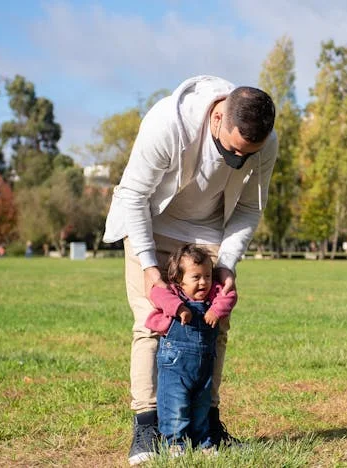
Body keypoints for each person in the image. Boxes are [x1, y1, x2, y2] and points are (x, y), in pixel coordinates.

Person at [102, 75, 277, 466]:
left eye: (248, 155)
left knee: (215, 325)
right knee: (151, 323)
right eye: (234, 153)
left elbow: (250, 208)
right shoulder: (168, 122)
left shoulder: (264, 145)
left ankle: (206, 424)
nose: (240, 162)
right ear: (217, 118)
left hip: (208, 231)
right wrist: (148, 265)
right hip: (152, 220)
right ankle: (147, 424)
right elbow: (133, 195)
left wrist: (227, 263)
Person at [146, 244, 236, 455]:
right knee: (175, 404)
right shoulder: (173, 292)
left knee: (201, 404)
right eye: (196, 277)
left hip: (204, 365)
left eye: (207, 275)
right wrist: (179, 308)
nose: (204, 282)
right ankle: (175, 442)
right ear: (179, 280)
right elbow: (156, 294)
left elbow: (229, 296)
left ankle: (203, 441)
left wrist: (216, 309)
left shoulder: (213, 296)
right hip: (175, 364)